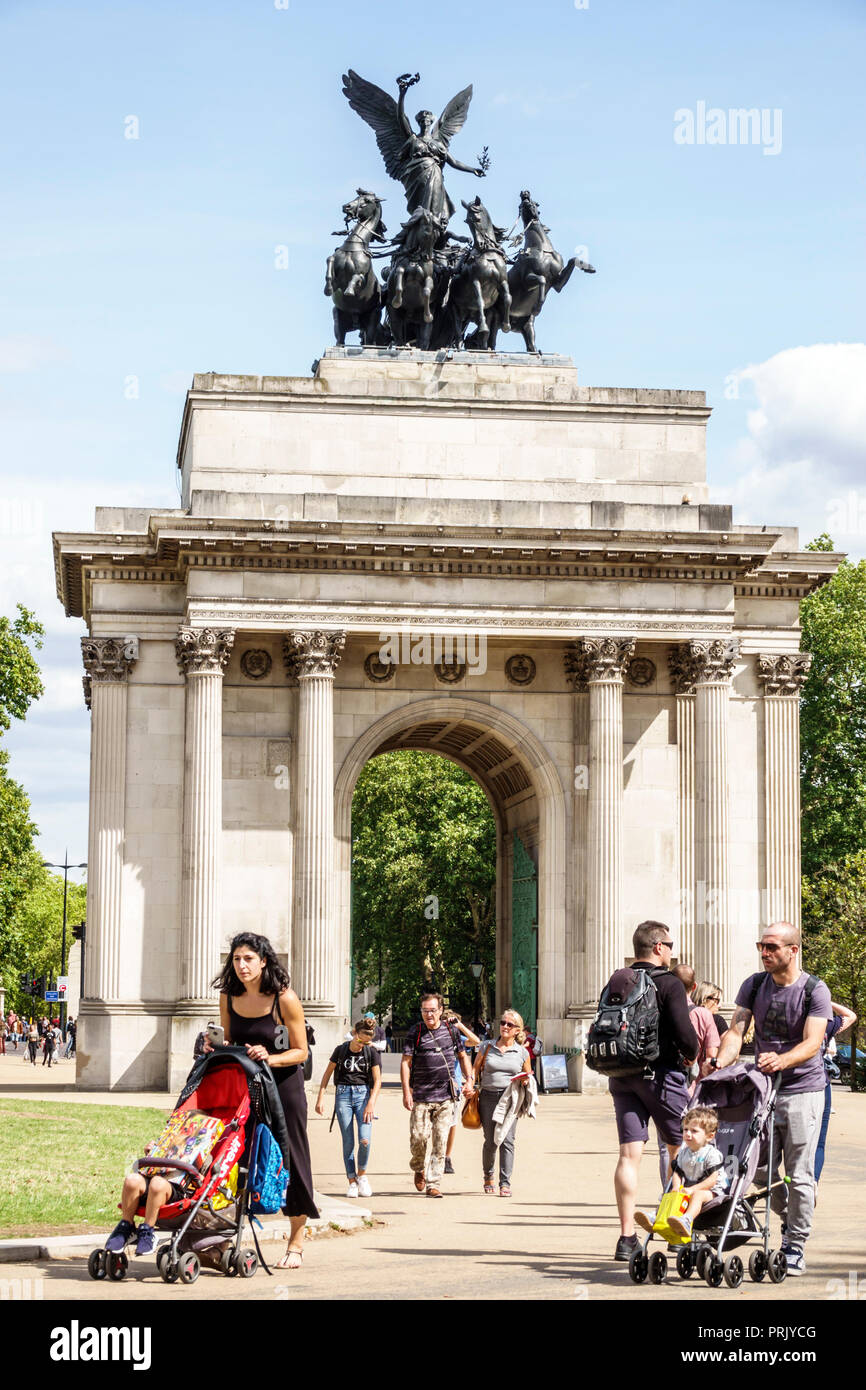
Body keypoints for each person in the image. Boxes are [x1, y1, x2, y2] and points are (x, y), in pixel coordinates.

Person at [715, 920, 832, 1276]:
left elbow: (813, 1042)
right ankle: (793, 1212)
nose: (764, 953)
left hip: (804, 1089)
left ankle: (795, 1243)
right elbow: (737, 1030)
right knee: (757, 1169)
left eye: (772, 947)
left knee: (800, 1175)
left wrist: (782, 1059)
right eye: (761, 946)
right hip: (763, 1090)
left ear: (793, 950)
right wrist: (718, 1062)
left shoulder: (815, 990)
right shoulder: (753, 985)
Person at [212, 931, 318, 1270]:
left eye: (248, 959)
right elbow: (228, 1041)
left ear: (264, 961)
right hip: (246, 1088)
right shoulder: (228, 997)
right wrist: (212, 1047)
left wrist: (269, 1057)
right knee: (237, 1158)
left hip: (284, 1088)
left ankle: (296, 1241)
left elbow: (301, 1051)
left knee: (292, 1159)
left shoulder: (284, 998)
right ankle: (230, 1234)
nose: (242, 965)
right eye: (237, 959)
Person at [609, 920, 698, 1263]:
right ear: (659, 947)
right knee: (682, 1151)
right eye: (671, 946)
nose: (673, 952)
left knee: (628, 1155)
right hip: (661, 1077)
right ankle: (676, 1232)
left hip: (622, 1075)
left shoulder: (618, 978)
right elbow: (685, 1033)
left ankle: (626, 1237)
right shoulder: (669, 983)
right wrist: (691, 1054)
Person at [401, 992, 473, 1197]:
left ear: (441, 1011)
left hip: (445, 1096)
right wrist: (407, 1091)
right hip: (421, 1096)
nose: (428, 1014)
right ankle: (418, 1167)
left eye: (432, 1010)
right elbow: (405, 1062)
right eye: (425, 1010)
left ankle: (434, 1183)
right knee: (418, 1138)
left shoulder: (450, 1031)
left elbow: (462, 1056)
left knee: (440, 1140)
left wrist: (469, 1079)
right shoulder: (415, 1031)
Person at [636, 1105, 731, 1240]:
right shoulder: (684, 1152)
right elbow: (677, 1172)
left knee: (698, 1195)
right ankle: (656, 1217)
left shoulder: (712, 1154)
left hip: (713, 1192)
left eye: (694, 1131)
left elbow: (712, 1180)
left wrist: (692, 1189)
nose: (687, 1134)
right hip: (690, 1189)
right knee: (670, 1194)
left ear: (709, 1136)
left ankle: (686, 1220)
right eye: (685, 1129)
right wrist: (676, 1187)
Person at [315, 1019, 382, 1197]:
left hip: (363, 1096)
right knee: (348, 1142)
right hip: (343, 1095)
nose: (362, 1045)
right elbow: (327, 1074)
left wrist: (371, 1103)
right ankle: (351, 1181)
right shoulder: (341, 1050)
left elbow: (378, 1081)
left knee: (365, 1139)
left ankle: (362, 1176)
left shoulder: (371, 1052)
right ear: (354, 1033)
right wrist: (320, 1099)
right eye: (360, 1041)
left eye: (366, 1042)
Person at [469, 1007, 531, 1197]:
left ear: (517, 1030)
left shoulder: (521, 1052)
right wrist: (469, 1083)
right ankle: (488, 1176)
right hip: (488, 1096)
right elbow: (475, 1069)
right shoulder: (487, 1046)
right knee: (491, 1140)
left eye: (509, 1024)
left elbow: (528, 1075)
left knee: (508, 1140)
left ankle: (505, 1182)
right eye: (503, 1023)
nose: (504, 1026)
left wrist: (526, 1080)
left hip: (510, 1099)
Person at [106, 1144, 196, 1257]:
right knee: (131, 1180)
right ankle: (126, 1226)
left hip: (177, 1189)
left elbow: (202, 1177)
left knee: (157, 1183)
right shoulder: (171, 1138)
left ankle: (147, 1230)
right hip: (152, 1180)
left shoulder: (206, 1146)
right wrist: (153, 1153)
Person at [814, 1000, 857, 1185]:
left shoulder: (787, 1022)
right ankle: (812, 1182)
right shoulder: (824, 1024)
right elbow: (850, 1015)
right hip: (819, 1083)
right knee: (818, 1142)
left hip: (787, 1084)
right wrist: (826, 1001)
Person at [443, 1012, 480, 1175]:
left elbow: (476, 1041)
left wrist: (460, 1026)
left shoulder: (458, 1040)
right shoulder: (433, 1037)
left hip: (454, 1086)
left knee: (451, 1123)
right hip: (435, 1085)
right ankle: (435, 1154)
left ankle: (446, 1157)